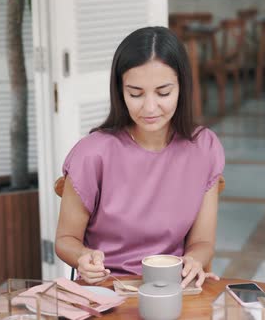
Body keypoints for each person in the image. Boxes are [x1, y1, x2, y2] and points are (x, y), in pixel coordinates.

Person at [55, 26, 225, 289]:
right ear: (120, 91)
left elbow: (202, 243)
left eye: (163, 93)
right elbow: (66, 239)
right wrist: (83, 257)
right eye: (135, 93)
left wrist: (193, 260)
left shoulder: (204, 148)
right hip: (107, 291)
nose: (149, 107)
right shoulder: (92, 153)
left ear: (182, 87)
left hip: (172, 288)